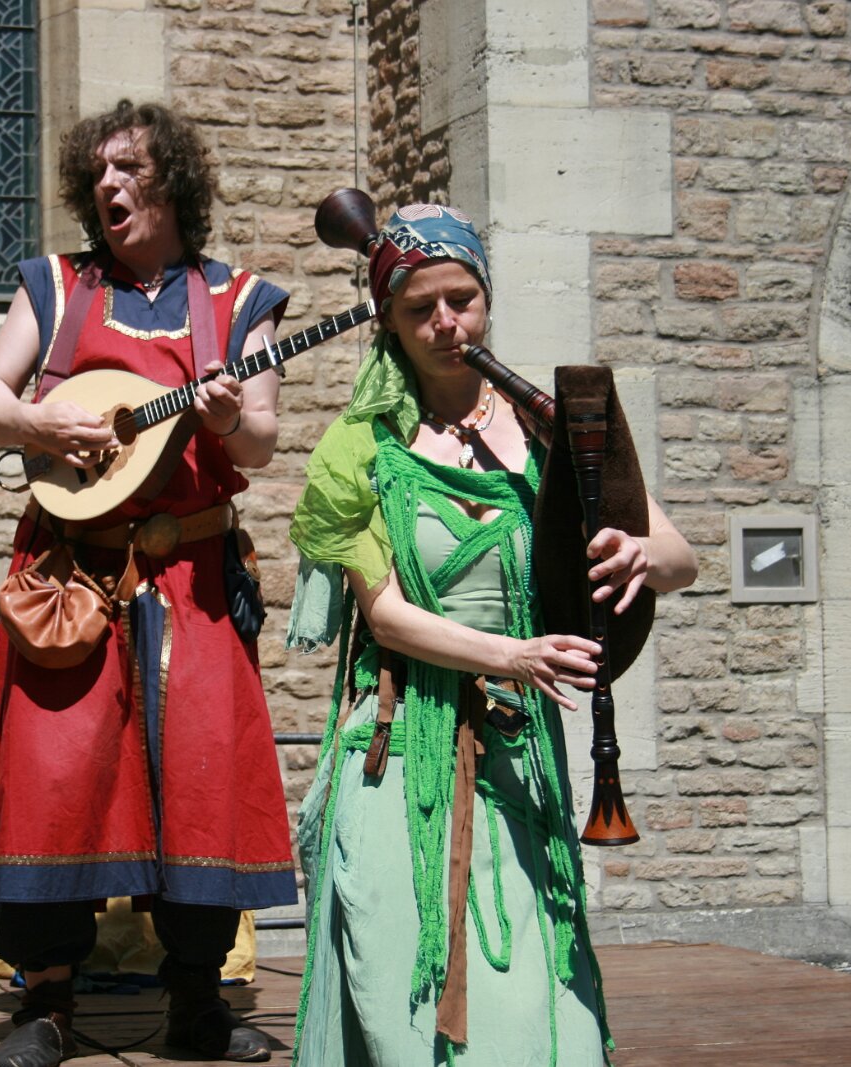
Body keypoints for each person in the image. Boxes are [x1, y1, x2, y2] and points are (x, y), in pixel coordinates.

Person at [285, 204, 698, 1067]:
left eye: (462, 300)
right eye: (420, 308)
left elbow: (680, 558)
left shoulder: (554, 429)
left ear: (486, 299)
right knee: (402, 1001)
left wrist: (638, 551)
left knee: (536, 1002)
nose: (447, 322)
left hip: (516, 750)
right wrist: (513, 654)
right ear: (389, 322)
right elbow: (384, 613)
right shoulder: (360, 446)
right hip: (399, 747)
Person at [0, 99, 297, 1067]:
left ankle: (195, 1000)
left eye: (131, 169)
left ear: (173, 184)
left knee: (202, 775)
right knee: (55, 770)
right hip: (69, 572)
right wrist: (42, 425)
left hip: (191, 576)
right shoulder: (58, 285)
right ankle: (46, 1002)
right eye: (98, 172)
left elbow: (260, 442)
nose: (109, 185)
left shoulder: (237, 299)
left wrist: (224, 417)